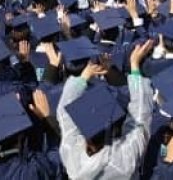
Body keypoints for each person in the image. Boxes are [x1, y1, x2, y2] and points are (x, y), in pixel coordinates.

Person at [58, 40, 154, 180]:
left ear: (88, 140)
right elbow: (141, 119)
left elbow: (64, 113)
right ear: (114, 130)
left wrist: (84, 76)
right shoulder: (123, 161)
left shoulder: (72, 155)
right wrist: (134, 65)